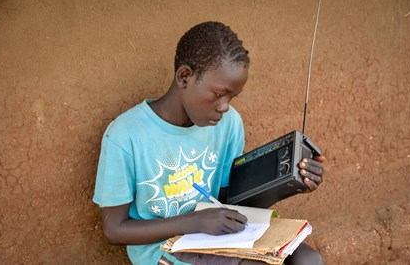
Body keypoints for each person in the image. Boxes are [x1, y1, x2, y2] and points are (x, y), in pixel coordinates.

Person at [93, 21, 326, 265]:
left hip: (217, 236)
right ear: (185, 77)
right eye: (218, 94)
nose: (224, 106)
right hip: (163, 248)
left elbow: (230, 202)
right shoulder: (126, 136)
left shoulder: (229, 124)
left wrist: (292, 182)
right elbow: (114, 230)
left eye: (232, 97)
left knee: (309, 259)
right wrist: (194, 222)